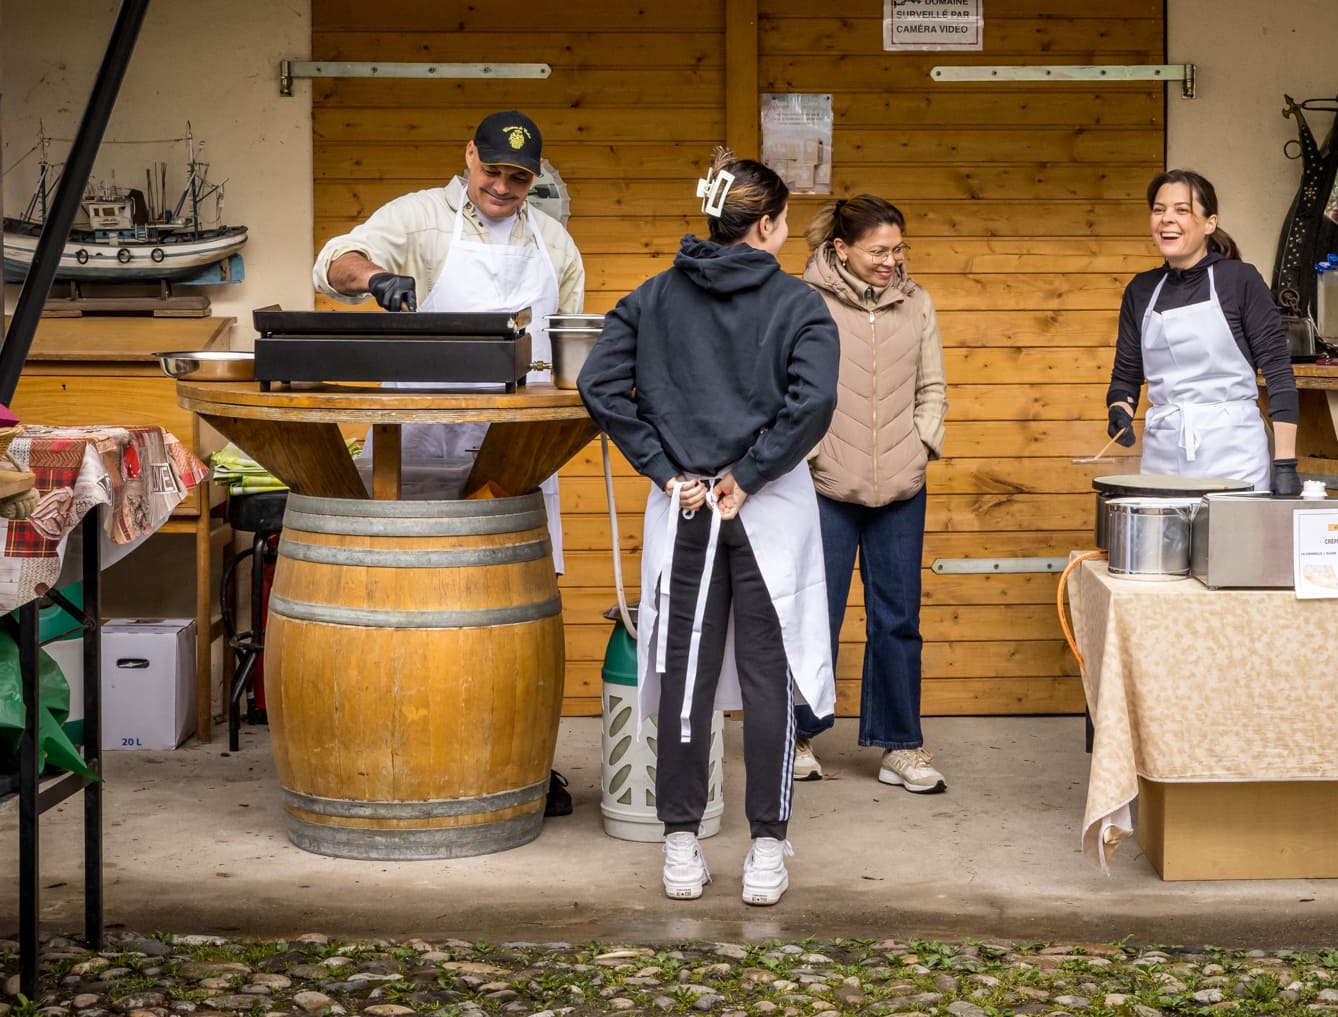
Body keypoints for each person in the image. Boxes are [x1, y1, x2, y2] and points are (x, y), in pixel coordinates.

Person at [577, 152, 838, 908]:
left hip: (686, 501)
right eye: (784, 221)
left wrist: (664, 466)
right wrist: (750, 473)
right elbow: (812, 401)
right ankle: (765, 845)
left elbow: (600, 383)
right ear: (765, 225)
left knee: (686, 679)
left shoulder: (651, 298)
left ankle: (682, 842)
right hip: (766, 508)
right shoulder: (799, 305)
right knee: (769, 677)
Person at [312, 108, 585, 816]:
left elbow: (567, 349)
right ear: (469, 156)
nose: (501, 185)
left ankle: (524, 759)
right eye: (492, 169)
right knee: (410, 593)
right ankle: (396, 750)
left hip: (517, 440)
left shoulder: (553, 242)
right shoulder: (420, 218)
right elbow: (333, 260)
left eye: (517, 177)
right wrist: (375, 279)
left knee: (516, 598)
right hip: (420, 435)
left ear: (534, 178)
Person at [790, 196, 949, 793]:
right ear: (842, 250)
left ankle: (901, 746)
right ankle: (798, 734)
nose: (891, 260)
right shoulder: (806, 301)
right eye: (879, 250)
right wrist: (812, 454)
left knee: (898, 619)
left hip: (902, 487)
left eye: (898, 248)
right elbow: (790, 385)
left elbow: (932, 386)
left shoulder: (917, 303)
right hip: (827, 486)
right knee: (815, 616)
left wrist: (922, 444)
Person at [1107, 170, 1301, 495]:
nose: (1167, 218)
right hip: (1163, 453)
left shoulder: (1240, 281)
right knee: (1164, 546)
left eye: (1182, 210)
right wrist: (1119, 410)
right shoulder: (1141, 290)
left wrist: (1285, 464)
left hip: (1234, 452)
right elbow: (1126, 378)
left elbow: (1279, 374)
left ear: (1210, 223)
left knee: (1233, 544)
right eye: (1159, 210)